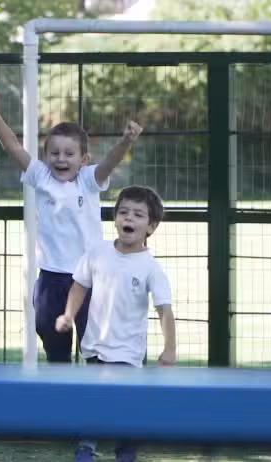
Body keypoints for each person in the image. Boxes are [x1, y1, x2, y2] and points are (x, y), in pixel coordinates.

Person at [0, 89, 142, 363]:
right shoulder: (40, 176)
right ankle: (62, 395)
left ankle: (95, 396)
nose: (61, 159)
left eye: (69, 153)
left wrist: (126, 141)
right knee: (54, 347)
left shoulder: (88, 180)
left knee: (95, 349)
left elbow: (110, 162)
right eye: (54, 153)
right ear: (46, 157)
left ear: (83, 160)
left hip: (89, 279)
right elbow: (12, 146)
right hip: (51, 279)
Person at [56, 185, 176, 462]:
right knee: (94, 399)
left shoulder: (151, 268)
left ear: (151, 226)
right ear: (115, 218)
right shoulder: (97, 252)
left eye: (137, 215)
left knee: (124, 405)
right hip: (95, 346)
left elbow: (164, 310)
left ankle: (125, 451)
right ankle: (86, 447)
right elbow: (79, 285)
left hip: (128, 353)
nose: (128, 219)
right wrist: (68, 315)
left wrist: (169, 348)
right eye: (123, 212)